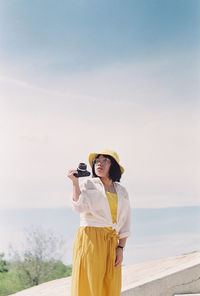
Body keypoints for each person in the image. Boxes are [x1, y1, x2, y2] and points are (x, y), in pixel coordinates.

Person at [67, 149, 131, 296]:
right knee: (90, 285)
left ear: (113, 166)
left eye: (104, 160)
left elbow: (126, 221)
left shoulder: (122, 191)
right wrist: (75, 183)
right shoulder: (89, 184)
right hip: (90, 239)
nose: (99, 164)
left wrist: (121, 248)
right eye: (96, 161)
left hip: (111, 241)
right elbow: (78, 207)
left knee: (110, 286)